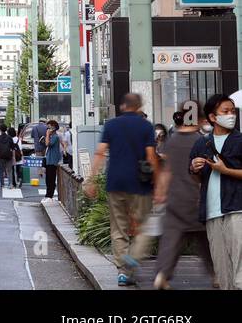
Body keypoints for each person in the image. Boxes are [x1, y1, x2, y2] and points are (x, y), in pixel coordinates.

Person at [85, 92, 158, 287]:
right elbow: (151, 157)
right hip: (140, 184)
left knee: (119, 228)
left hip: (115, 182)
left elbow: (100, 152)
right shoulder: (146, 126)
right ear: (140, 106)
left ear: (123, 106)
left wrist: (90, 180)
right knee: (144, 226)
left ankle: (122, 272)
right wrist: (157, 183)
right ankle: (132, 258)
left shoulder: (111, 125)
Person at [153, 104, 215, 289]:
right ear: (200, 119)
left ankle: (162, 274)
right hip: (197, 197)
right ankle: (216, 274)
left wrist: (160, 193)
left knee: (171, 239)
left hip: (175, 197)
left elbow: (166, 171)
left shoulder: (172, 141)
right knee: (207, 241)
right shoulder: (203, 141)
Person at [190, 94, 242, 289]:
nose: (231, 115)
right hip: (212, 212)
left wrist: (226, 170)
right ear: (213, 117)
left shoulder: (239, 140)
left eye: (233, 111)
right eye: (225, 111)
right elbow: (196, 177)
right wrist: (195, 168)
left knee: (240, 270)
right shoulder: (201, 143)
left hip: (237, 209)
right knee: (222, 270)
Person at [43, 120, 63, 199]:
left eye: (49, 127)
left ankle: (49, 195)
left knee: (50, 179)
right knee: (48, 179)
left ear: (53, 127)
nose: (47, 129)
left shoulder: (55, 137)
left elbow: (48, 144)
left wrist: (47, 135)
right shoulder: (52, 136)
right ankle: (48, 194)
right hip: (49, 160)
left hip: (52, 161)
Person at [0, 126, 17, 190]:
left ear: (0, 130)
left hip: (0, 156)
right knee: (9, 171)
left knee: (1, 171)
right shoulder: (9, 138)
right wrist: (14, 157)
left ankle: (2, 185)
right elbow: (13, 148)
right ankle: (10, 184)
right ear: (6, 130)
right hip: (9, 156)